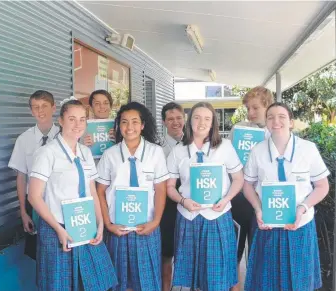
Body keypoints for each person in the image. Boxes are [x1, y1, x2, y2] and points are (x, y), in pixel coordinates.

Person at [28, 98, 118, 291]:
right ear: (60, 121)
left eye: (82, 119)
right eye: (72, 119)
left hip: (85, 225)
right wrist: (59, 230)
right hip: (58, 228)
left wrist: (100, 223)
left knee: (96, 281)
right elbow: (33, 196)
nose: (78, 125)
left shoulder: (86, 152)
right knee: (60, 284)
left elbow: (92, 190)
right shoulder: (47, 153)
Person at [243, 102, 329, 291]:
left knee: (299, 283)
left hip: (300, 225)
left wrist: (302, 208)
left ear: (291, 122)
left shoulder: (308, 149)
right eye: (270, 117)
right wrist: (258, 209)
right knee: (266, 282)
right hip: (268, 226)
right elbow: (247, 185)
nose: (276, 121)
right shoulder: (257, 150)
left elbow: (322, 186)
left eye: (281, 116)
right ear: (266, 122)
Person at [166, 102, 244, 291]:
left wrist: (226, 200)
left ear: (213, 123)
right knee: (192, 275)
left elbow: (238, 179)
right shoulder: (178, 151)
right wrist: (183, 201)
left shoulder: (224, 147)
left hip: (217, 216)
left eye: (207, 118)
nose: (201, 122)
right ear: (189, 120)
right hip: (188, 217)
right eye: (197, 117)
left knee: (217, 276)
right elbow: (169, 186)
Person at [96, 102, 169, 291]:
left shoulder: (155, 152)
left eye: (135, 122)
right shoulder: (109, 155)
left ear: (143, 125)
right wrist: (108, 225)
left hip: (146, 226)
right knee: (118, 281)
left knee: (147, 281)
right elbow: (100, 191)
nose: (130, 127)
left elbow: (160, 190)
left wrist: (155, 222)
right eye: (124, 122)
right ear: (119, 126)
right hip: (117, 229)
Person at [228, 86, 274, 290]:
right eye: (248, 108)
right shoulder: (238, 130)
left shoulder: (275, 133)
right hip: (238, 198)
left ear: (267, 106)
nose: (250, 113)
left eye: (255, 108)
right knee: (234, 253)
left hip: (262, 201)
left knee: (260, 254)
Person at [8, 90, 60, 260]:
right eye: (36, 107)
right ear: (31, 111)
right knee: (39, 252)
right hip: (35, 204)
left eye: (44, 106)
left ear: (54, 108)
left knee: (63, 248)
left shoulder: (65, 136)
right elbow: (21, 177)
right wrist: (23, 212)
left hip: (61, 203)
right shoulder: (24, 139)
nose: (40, 111)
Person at [159, 102, 185, 291]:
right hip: (167, 206)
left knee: (190, 252)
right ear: (164, 122)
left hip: (190, 204)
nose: (175, 122)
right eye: (170, 119)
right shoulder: (156, 147)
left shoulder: (195, 144)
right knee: (166, 254)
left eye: (178, 118)